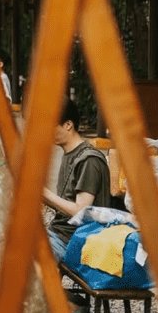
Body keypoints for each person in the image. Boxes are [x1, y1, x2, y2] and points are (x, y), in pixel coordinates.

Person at [45, 99, 111, 262]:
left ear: (68, 125)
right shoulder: (70, 155)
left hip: (74, 241)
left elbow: (80, 211)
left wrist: (44, 194)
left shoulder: (88, 160)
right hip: (60, 234)